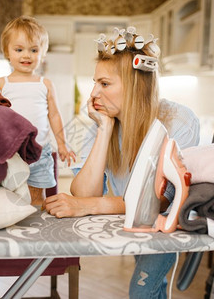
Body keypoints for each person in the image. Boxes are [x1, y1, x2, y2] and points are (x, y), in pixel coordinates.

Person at [43, 27, 200, 298]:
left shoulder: (179, 123)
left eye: (104, 84)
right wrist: (104, 128)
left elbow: (161, 202)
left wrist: (86, 207)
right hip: (128, 220)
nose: (93, 93)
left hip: (162, 224)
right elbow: (84, 192)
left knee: (143, 290)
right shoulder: (99, 120)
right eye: (95, 82)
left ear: (136, 85)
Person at [0, 16, 76, 206]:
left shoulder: (45, 84)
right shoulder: (1, 84)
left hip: (40, 152)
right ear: (7, 52)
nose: (27, 55)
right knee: (10, 195)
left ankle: (37, 231)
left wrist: (62, 145)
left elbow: (54, 115)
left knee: (37, 198)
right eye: (19, 49)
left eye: (34, 50)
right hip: (12, 152)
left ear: (43, 53)